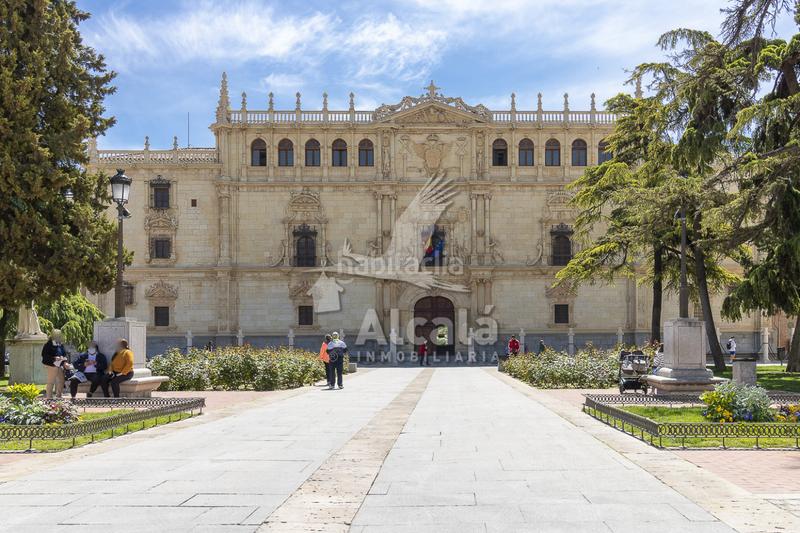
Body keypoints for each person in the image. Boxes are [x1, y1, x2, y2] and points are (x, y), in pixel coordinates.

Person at [41, 330, 67, 399]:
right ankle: (49, 397)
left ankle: (59, 396)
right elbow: (44, 355)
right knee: (51, 381)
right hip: (51, 365)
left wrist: (63, 359)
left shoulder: (60, 344)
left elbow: (64, 353)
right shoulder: (48, 344)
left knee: (61, 380)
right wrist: (54, 358)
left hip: (59, 365)